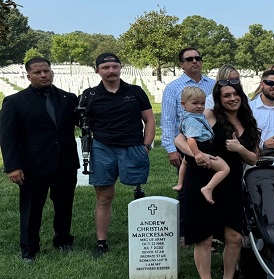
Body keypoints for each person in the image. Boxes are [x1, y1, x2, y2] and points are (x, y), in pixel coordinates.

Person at [177, 79, 259, 279]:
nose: (232, 98)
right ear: (219, 99)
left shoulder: (248, 122)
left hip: (230, 183)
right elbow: (179, 138)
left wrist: (240, 148)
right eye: (226, 95)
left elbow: (254, 158)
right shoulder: (210, 115)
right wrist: (197, 156)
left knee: (234, 236)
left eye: (235, 94)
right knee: (203, 237)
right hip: (202, 179)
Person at [0, 57, 79, 262]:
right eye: (37, 72)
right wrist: (13, 166)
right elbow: (8, 137)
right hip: (33, 165)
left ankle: (62, 240)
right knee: (32, 207)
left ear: (52, 72)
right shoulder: (15, 102)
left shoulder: (68, 98)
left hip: (65, 162)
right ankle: (29, 249)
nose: (43, 75)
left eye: (46, 71)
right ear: (28, 75)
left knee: (64, 204)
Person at [84, 53, 155, 257]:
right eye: (105, 68)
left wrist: (146, 145)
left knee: (138, 192)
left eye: (115, 66)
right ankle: (101, 242)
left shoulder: (135, 92)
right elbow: (82, 122)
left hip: (132, 146)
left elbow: (149, 119)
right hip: (102, 148)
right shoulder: (90, 95)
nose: (111, 71)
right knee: (104, 196)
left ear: (121, 68)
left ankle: (144, 235)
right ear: (97, 70)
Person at [172, 87, 230, 204]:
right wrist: (197, 153)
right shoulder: (193, 121)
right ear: (184, 104)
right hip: (203, 147)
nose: (199, 106)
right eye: (195, 103)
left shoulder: (190, 116)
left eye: (202, 103)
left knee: (185, 161)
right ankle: (208, 188)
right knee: (225, 168)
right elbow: (191, 140)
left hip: (199, 147)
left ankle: (180, 184)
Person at [161, 48, 216, 170]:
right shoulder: (173, 88)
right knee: (190, 183)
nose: (195, 61)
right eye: (190, 59)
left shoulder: (213, 84)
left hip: (210, 142)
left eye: (198, 58)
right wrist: (171, 150)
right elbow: (167, 120)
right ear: (182, 64)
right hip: (186, 143)